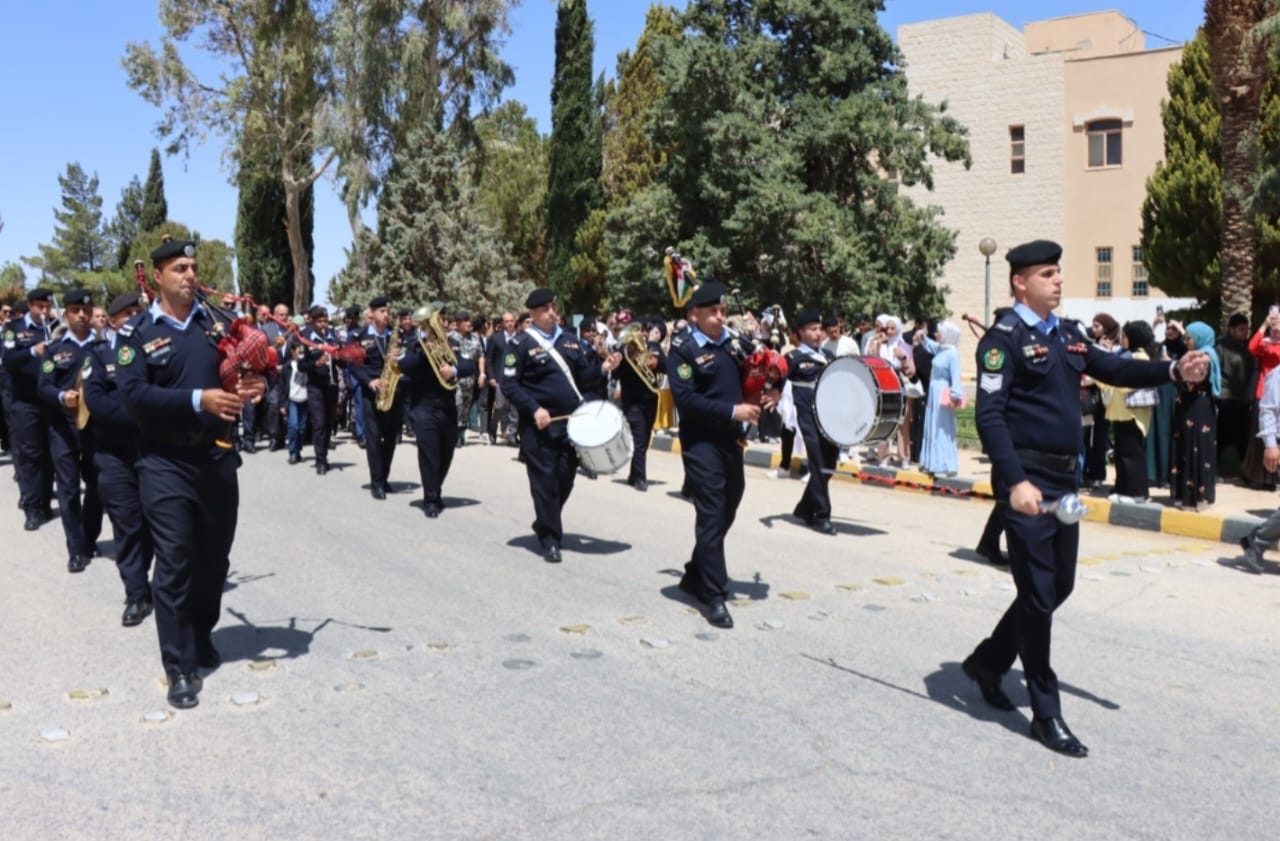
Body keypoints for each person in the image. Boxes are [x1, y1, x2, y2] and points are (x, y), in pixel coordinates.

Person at [961, 239, 1209, 758]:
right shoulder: (1003, 341)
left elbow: (1114, 369)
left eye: (1058, 272)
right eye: (1047, 273)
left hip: (1063, 482)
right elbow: (989, 416)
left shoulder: (1068, 335)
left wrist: (1171, 371)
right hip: (1026, 481)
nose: (1058, 280)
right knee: (1037, 595)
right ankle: (1045, 713)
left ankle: (988, 660)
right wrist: (1014, 481)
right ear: (1020, 283)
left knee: (1058, 586)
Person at [115, 236, 267, 710]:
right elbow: (134, 397)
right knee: (175, 561)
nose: (190, 275)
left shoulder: (215, 326)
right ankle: (179, 665)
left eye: (193, 267)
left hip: (217, 459)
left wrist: (256, 383)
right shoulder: (137, 333)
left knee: (214, 559)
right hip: (164, 463)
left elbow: (245, 369)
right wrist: (199, 400)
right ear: (158, 276)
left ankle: (201, 633)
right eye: (180, 268)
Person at [668, 282, 774, 628]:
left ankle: (694, 574)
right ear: (694, 315)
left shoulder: (734, 344)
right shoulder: (683, 349)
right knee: (712, 512)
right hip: (701, 441)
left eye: (723, 311)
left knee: (730, 504)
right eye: (713, 311)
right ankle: (713, 595)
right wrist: (733, 411)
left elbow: (762, 368)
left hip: (731, 440)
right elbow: (686, 401)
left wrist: (772, 388)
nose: (720, 317)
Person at [500, 288, 620, 563]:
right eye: (545, 309)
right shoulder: (520, 344)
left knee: (565, 479)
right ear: (532, 313)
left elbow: (584, 378)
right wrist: (534, 408)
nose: (552, 313)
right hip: (539, 426)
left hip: (571, 424)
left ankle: (545, 520)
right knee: (544, 482)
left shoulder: (569, 341)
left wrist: (604, 368)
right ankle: (551, 538)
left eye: (553, 307)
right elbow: (509, 384)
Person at [82, 291, 155, 625]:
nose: (134, 318)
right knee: (127, 525)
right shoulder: (98, 355)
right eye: (126, 314)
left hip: (152, 451)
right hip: (113, 454)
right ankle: (136, 594)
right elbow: (96, 399)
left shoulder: (153, 348)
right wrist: (140, 416)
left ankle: (149, 579)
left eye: (138, 312)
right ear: (112, 322)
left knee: (153, 525)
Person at [37, 287, 103, 573]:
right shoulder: (54, 350)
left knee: (97, 486)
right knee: (69, 488)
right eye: (76, 311)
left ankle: (89, 537)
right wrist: (62, 396)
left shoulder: (102, 347)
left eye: (86, 310)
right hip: (63, 428)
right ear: (66, 315)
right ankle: (76, 549)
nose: (82, 315)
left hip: (95, 428)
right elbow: (43, 386)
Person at [398, 307, 475, 517]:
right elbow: (404, 364)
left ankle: (435, 489)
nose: (442, 323)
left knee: (446, 453)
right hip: (423, 406)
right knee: (429, 453)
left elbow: (469, 365)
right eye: (438, 320)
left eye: (443, 320)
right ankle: (430, 498)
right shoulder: (414, 344)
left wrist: (454, 370)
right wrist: (425, 351)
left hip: (448, 407)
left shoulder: (453, 343)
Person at [3, 288, 58, 531]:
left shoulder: (53, 327)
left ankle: (45, 503)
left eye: (47, 306)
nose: (44, 311)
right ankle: (32, 508)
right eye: (40, 306)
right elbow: (8, 359)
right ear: (30, 305)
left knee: (49, 454)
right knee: (30, 456)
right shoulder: (14, 328)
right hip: (25, 401)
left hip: (50, 400)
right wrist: (31, 351)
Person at [785, 309, 839, 534]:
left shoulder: (829, 355)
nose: (818, 333)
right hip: (807, 414)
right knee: (817, 462)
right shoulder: (793, 358)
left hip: (829, 416)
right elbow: (777, 380)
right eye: (812, 329)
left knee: (829, 465)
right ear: (801, 332)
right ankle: (822, 515)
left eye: (819, 329)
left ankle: (804, 508)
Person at [347, 297, 403, 500]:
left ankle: (384, 477)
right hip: (371, 394)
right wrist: (369, 381)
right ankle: (376, 482)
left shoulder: (395, 336)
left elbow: (405, 361)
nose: (386, 315)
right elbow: (353, 365)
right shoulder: (358, 336)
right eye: (382, 311)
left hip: (392, 392)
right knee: (373, 439)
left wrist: (400, 358)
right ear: (371, 313)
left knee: (390, 438)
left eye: (387, 311)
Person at [1100, 321, 1159, 503]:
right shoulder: (1127, 356)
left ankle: (1137, 493)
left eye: (1125, 336)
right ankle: (1122, 488)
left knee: (1132, 455)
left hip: (1132, 415)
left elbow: (1129, 383)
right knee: (1121, 454)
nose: (1122, 339)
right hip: (1120, 413)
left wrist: (1110, 378)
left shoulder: (1139, 358)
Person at [1170, 321, 1220, 511]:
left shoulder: (1204, 357)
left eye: (1189, 338)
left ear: (1199, 338)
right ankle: (1185, 494)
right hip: (1190, 407)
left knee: (1196, 447)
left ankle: (1198, 497)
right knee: (1186, 446)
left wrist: (1174, 373)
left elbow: (1190, 380)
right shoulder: (1201, 354)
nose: (1186, 342)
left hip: (1198, 409)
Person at [616, 317, 666, 491]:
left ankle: (633, 474)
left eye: (646, 330)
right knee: (638, 437)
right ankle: (640, 478)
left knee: (644, 439)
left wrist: (655, 358)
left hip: (650, 399)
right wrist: (628, 358)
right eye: (641, 330)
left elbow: (666, 367)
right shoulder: (624, 349)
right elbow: (616, 374)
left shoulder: (653, 347)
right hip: (632, 400)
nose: (643, 334)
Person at [1239, 361, 1280, 572]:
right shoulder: (1278, 375)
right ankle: (1257, 541)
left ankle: (1256, 540)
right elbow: (1268, 411)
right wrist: (1270, 445)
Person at [296, 306, 344, 475]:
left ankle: (324, 455)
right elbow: (301, 365)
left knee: (329, 422)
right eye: (320, 321)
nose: (323, 324)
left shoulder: (333, 336)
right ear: (313, 321)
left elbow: (343, 361)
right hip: (315, 386)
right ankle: (320, 460)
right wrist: (316, 363)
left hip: (332, 385)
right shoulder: (305, 337)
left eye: (325, 321)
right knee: (319, 423)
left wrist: (339, 357)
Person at [920, 321, 964, 477]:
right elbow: (930, 345)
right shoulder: (941, 349)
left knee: (942, 427)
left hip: (944, 391)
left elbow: (956, 376)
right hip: (934, 390)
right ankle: (931, 462)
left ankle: (944, 464)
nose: (936, 334)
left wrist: (955, 396)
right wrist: (923, 338)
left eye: (939, 332)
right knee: (932, 424)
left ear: (947, 335)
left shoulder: (952, 353)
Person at [1216, 313, 1255, 471]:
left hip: (1243, 397)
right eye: (1241, 329)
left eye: (1246, 329)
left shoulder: (1248, 347)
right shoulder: (1221, 346)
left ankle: (1244, 469)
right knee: (1223, 433)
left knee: (1242, 434)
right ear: (1231, 329)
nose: (1245, 332)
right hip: (1225, 397)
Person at [451, 311, 484, 446]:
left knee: (466, 406)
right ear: (458, 323)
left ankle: (461, 432)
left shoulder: (475, 338)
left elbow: (481, 356)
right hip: (455, 379)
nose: (469, 323)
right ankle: (455, 434)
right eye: (465, 321)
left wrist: (482, 373)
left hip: (470, 379)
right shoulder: (450, 337)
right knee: (457, 404)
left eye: (469, 320)